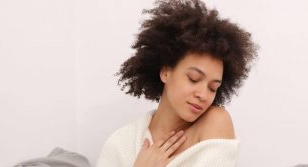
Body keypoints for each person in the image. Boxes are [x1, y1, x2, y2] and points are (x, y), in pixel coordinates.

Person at [97, 0, 257, 166]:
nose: (203, 95)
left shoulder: (215, 123)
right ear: (166, 72)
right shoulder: (120, 144)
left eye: (213, 88)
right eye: (193, 79)